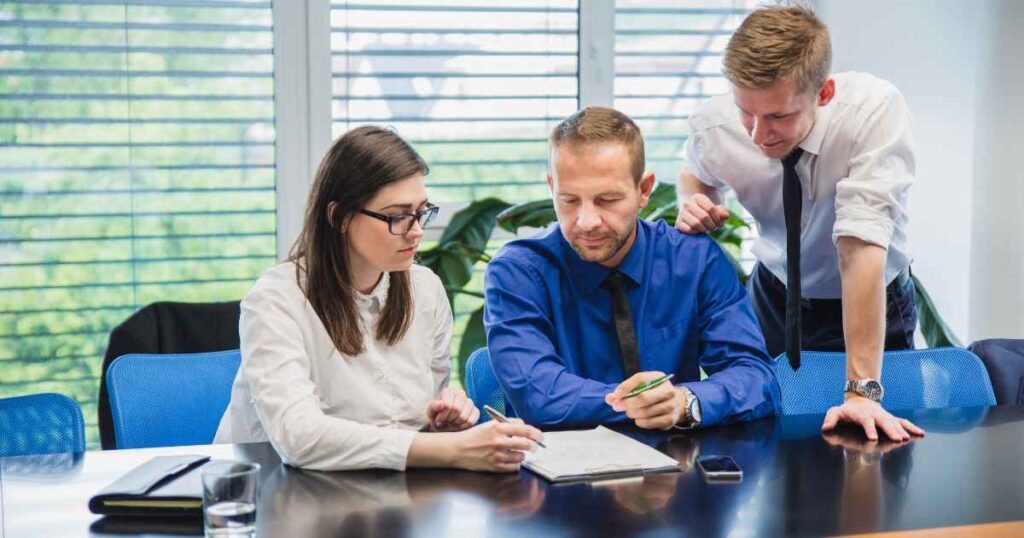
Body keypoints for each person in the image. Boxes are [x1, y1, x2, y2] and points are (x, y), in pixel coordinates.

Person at [215, 126, 543, 472]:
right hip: (270, 493)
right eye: (397, 216)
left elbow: (409, 429)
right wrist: (449, 450)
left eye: (421, 211)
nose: (417, 230)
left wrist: (440, 424)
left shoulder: (425, 290)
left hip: (377, 493)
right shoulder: (276, 299)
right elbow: (299, 437)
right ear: (339, 217)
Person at [674, 5, 925, 441]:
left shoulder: (874, 112)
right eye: (746, 112)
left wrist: (861, 392)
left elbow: (860, 246)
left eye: (778, 116)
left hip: (871, 296)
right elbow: (696, 170)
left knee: (878, 445)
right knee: (766, 440)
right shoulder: (717, 124)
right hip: (774, 296)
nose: (756, 134)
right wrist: (696, 199)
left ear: (823, 93)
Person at [483, 107, 780, 431]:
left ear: (644, 190)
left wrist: (685, 402)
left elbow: (756, 379)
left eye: (607, 199)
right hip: (557, 474)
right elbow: (538, 396)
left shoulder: (694, 260)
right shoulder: (518, 274)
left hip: (679, 470)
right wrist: (644, 404)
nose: (587, 222)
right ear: (552, 186)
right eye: (568, 200)